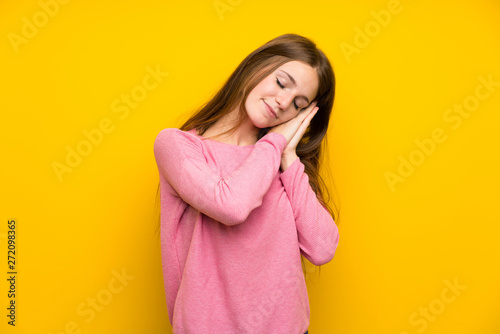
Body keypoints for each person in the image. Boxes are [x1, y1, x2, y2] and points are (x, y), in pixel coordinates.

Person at [153, 33, 340, 334]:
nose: (282, 103)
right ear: (256, 66)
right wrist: (277, 142)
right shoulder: (178, 146)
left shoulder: (282, 164)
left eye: (298, 104)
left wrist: (289, 156)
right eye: (281, 83)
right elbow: (232, 205)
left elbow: (322, 248)